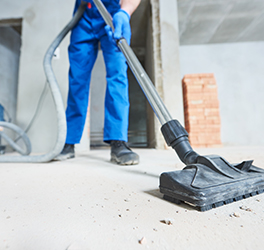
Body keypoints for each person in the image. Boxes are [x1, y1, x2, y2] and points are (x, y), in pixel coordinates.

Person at [55, 0, 141, 165]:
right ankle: (69, 142)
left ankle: (118, 142)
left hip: (112, 13)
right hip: (84, 15)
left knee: (117, 76)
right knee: (77, 80)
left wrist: (125, 12)